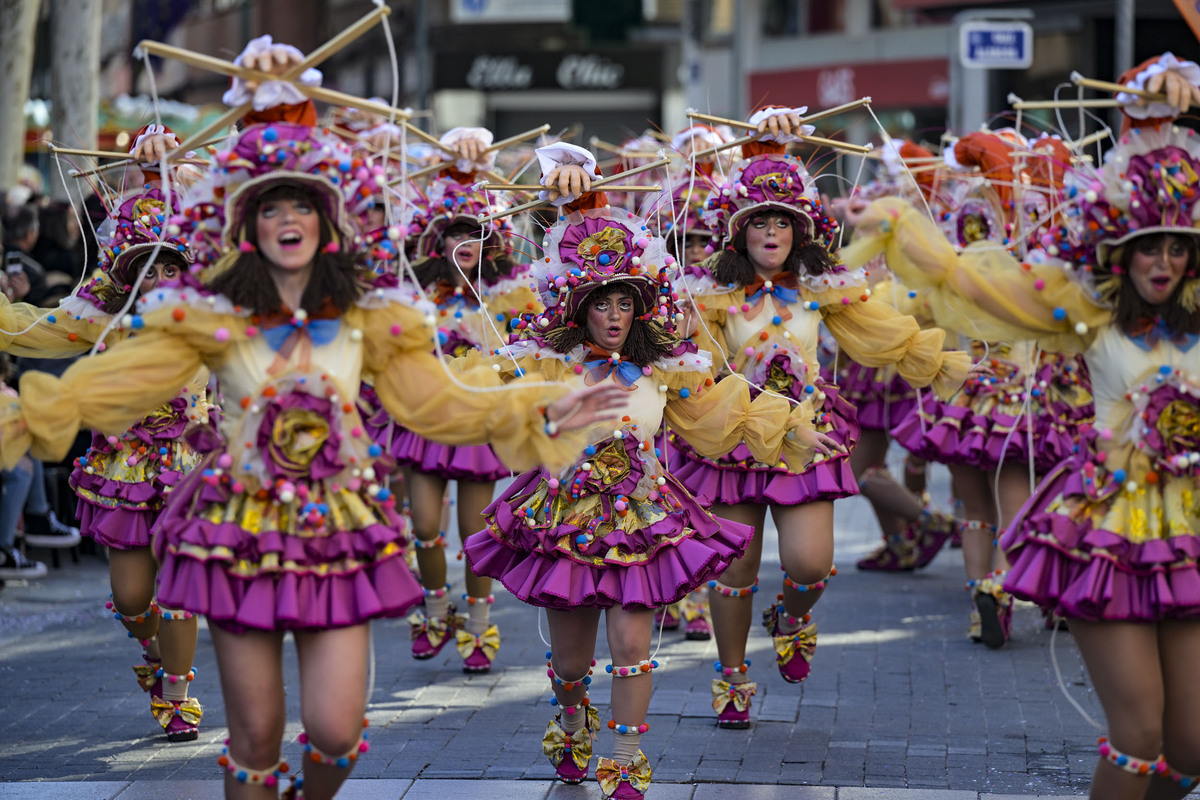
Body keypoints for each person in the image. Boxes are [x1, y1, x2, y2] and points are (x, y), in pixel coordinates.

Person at [0, 90, 623, 800]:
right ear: (246, 222)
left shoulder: (368, 317)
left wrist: (543, 404)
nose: (287, 219)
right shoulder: (211, 316)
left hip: (338, 529)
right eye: (270, 206)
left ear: (329, 220)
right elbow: (111, 384)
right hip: (238, 530)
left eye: (302, 205)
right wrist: (23, 414)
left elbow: (443, 399)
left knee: (336, 732)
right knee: (256, 738)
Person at [840, 54, 1200, 800]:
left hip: (1192, 531)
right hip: (1112, 536)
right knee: (1139, 735)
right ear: (1119, 252)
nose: (1161, 262)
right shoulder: (1085, 315)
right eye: (1147, 247)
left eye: (1177, 247)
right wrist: (903, 225)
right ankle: (987, 586)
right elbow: (971, 282)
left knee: (1192, 746)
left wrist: (1175, 82)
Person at [462, 142, 831, 800]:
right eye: (599, 302)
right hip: (564, 515)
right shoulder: (547, 363)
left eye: (623, 302)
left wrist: (798, 425)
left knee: (633, 642)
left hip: (641, 516)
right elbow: (489, 404)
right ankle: (572, 716)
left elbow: (725, 404)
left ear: (639, 308)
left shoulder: (665, 368)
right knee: (572, 661)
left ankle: (626, 762)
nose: (611, 314)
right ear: (578, 308)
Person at [670, 108, 969, 728]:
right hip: (733, 435)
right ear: (740, 233)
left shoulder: (821, 288)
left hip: (804, 435)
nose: (773, 231)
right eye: (761, 221)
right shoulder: (710, 296)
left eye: (784, 220)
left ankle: (794, 615)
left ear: (801, 231)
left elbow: (880, 334)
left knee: (809, 565)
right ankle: (732, 678)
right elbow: (692, 367)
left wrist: (942, 362)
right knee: (735, 566)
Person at [397, 128, 539, 673]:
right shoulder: (414, 291)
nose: (465, 245)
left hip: (478, 421)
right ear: (434, 241)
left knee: (475, 529)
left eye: (475, 233)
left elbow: (532, 340)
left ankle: (479, 623)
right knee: (425, 526)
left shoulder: (507, 294)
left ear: (492, 241)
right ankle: (436, 608)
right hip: (426, 419)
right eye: (453, 233)